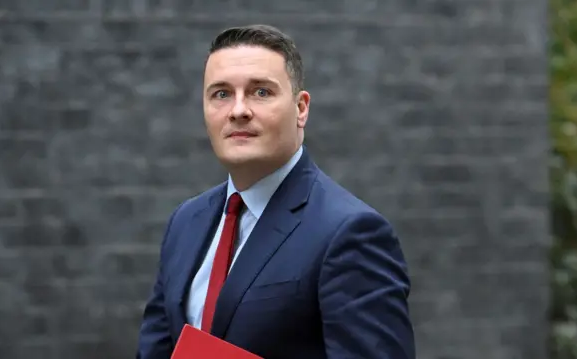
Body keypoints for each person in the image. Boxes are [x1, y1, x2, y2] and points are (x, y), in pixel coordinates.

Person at [136, 24, 415, 359]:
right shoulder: (185, 222)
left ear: (301, 109)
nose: (238, 110)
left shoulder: (350, 233)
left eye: (261, 92)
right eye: (221, 94)